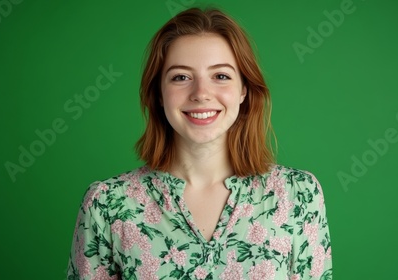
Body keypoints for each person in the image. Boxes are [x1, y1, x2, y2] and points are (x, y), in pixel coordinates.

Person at [67, 7, 332, 280]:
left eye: (221, 76)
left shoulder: (298, 195)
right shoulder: (107, 205)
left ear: (244, 90)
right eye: (181, 77)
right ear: (159, 93)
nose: (201, 94)